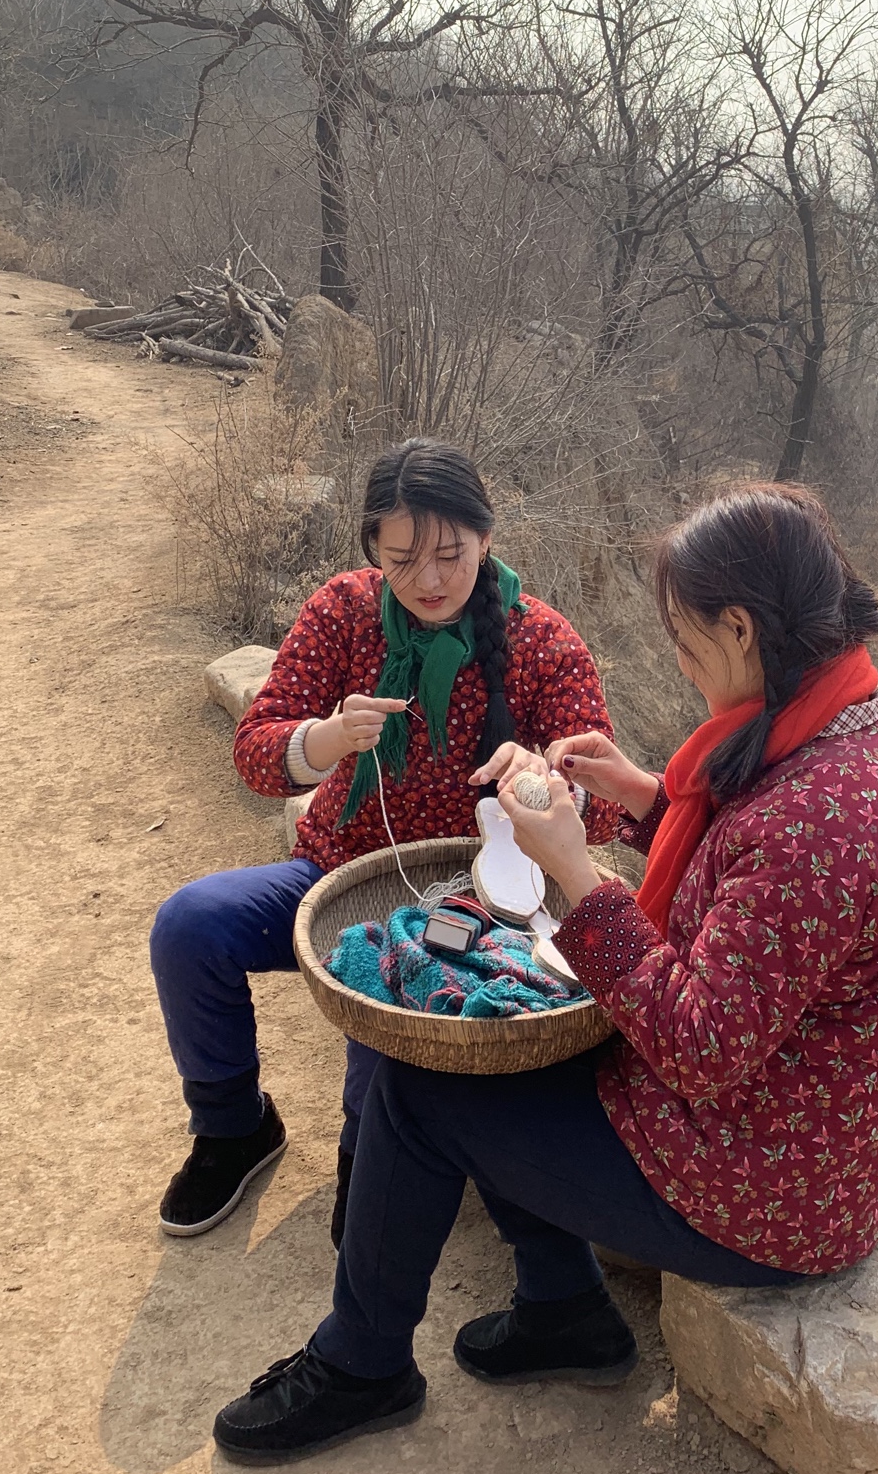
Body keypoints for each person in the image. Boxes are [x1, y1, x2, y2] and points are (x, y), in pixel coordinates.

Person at [210, 481, 878, 1463]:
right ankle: (566, 1309)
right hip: (785, 1133)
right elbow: (753, 888)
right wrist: (642, 800)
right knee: (499, 1048)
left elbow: (696, 1047)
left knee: (421, 1083)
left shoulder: (825, 815)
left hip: (765, 1187)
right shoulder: (847, 730)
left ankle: (363, 1363)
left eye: (686, 641)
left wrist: (572, 868)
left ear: (740, 629)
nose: (680, 661)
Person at [149, 439, 624, 1241]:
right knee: (189, 928)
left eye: (451, 554)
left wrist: (545, 782)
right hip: (343, 872)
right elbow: (257, 754)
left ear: (487, 537)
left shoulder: (541, 641)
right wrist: (328, 738)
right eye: (402, 559)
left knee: (381, 1026)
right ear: (372, 547)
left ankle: (373, 1156)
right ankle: (233, 1125)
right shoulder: (342, 612)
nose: (430, 581)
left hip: (486, 909)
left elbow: (606, 812)